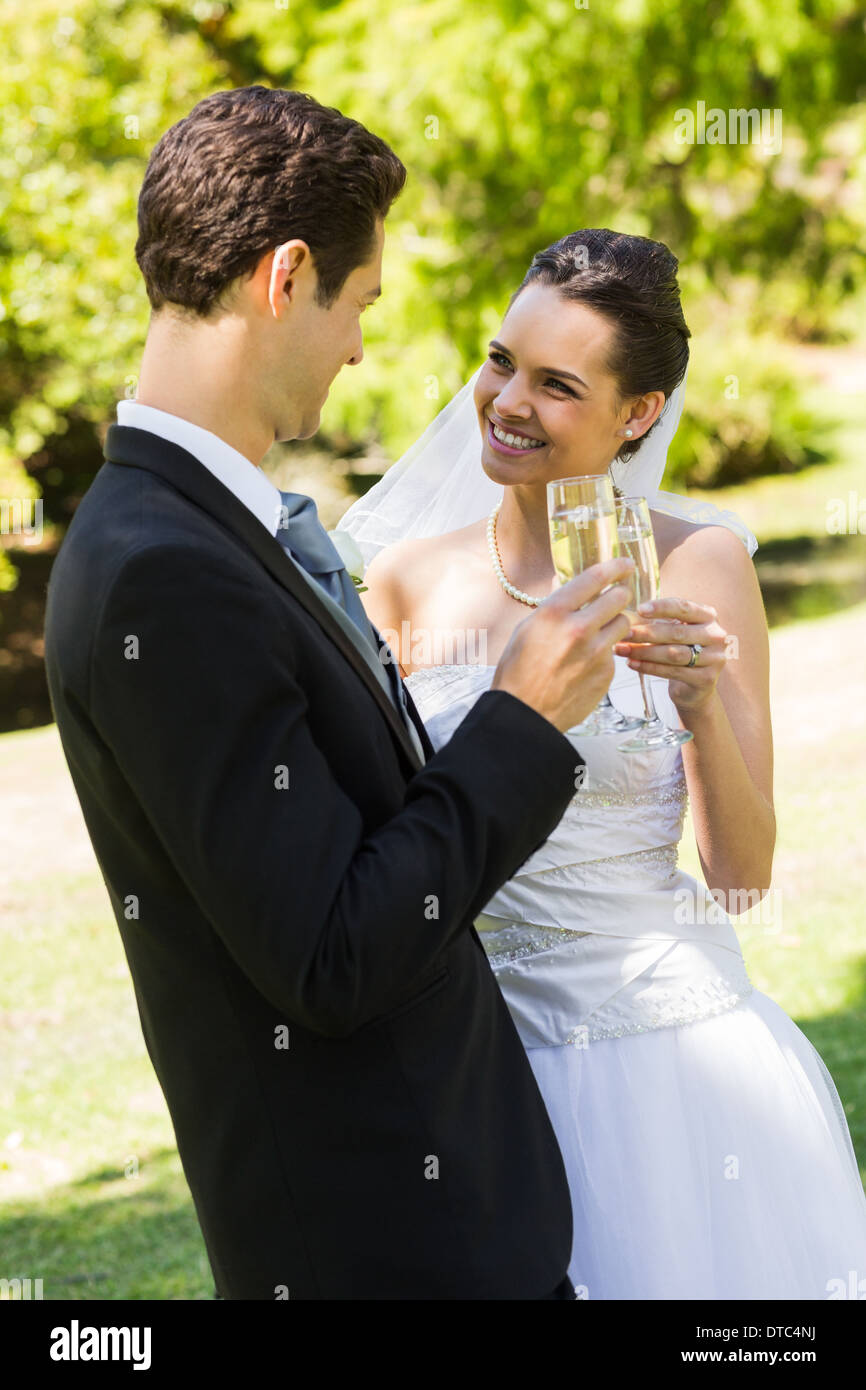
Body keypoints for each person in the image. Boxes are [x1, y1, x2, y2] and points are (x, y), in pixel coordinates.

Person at [42, 87, 639, 1301]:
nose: (360, 344)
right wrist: (521, 720)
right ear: (287, 276)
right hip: (386, 1249)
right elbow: (328, 953)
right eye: (358, 304)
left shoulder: (191, 528)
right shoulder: (165, 570)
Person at [343, 228, 866, 1299]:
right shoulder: (400, 584)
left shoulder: (699, 561)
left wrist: (694, 708)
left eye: (554, 385)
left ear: (637, 414)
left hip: (678, 1063)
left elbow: (740, 872)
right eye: (499, 362)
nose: (504, 401)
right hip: (484, 1069)